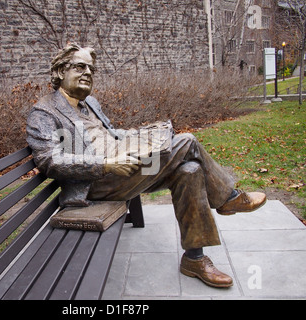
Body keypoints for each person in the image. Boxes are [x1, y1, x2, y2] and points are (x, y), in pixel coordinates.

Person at [26, 43, 266, 288]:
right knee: (187, 141)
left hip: (129, 172)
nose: (88, 72)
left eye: (91, 68)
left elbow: (111, 135)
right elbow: (52, 161)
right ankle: (228, 198)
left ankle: (194, 258)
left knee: (189, 170)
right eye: (80, 66)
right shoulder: (45, 113)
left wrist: (143, 136)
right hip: (98, 184)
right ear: (60, 72)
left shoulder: (89, 104)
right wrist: (107, 165)